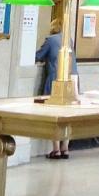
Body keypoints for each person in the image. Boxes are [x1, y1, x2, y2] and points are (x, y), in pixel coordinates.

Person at [36, 16, 77, 158]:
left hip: (55, 81)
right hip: (72, 81)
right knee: (67, 116)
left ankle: (56, 149)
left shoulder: (50, 40)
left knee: (54, 115)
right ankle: (65, 148)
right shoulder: (69, 40)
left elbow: (38, 56)